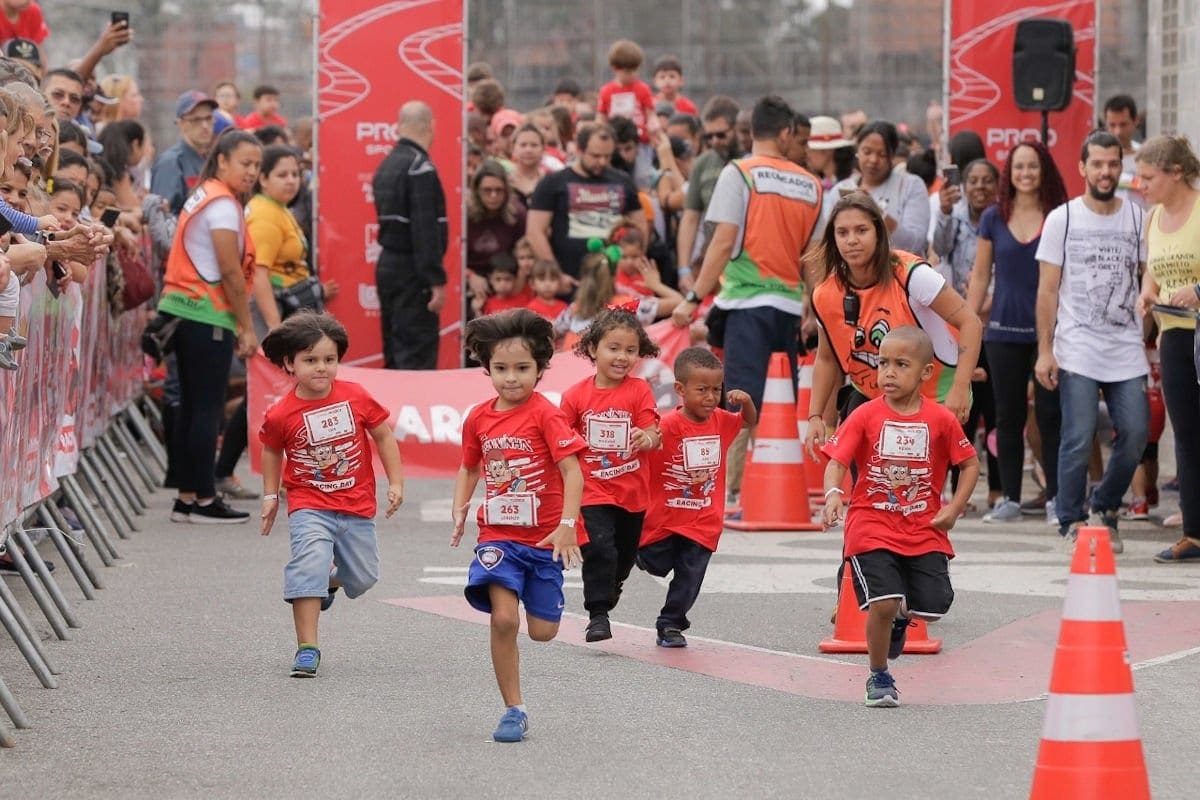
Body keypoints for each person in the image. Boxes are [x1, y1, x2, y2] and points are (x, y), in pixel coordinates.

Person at [671, 96, 822, 505]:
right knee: (777, 400)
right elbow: (813, 257)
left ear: (750, 130)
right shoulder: (811, 184)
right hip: (790, 308)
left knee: (736, 399)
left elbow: (722, 241)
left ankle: (733, 490)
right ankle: (772, 484)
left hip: (744, 305)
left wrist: (693, 296)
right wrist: (818, 308)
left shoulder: (739, 172)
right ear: (787, 132)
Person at [821, 326, 979, 707]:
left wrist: (954, 508)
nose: (888, 372)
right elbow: (837, 461)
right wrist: (833, 495)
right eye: (883, 363)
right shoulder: (864, 414)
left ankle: (901, 617)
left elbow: (969, 464)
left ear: (926, 373)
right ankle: (879, 676)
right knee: (883, 601)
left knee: (935, 607)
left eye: (901, 364)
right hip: (871, 525)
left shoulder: (941, 419)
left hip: (924, 528)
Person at [451, 308, 587, 743]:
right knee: (504, 620)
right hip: (499, 536)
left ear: (542, 368)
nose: (512, 378)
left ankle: (537, 591)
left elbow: (572, 472)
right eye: (501, 368)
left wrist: (568, 524)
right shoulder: (478, 417)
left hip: (545, 538)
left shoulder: (546, 414)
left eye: (523, 369)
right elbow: (469, 467)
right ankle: (514, 709)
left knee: (542, 632)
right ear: (486, 368)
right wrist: (460, 507)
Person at [259, 312, 404, 677]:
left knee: (363, 576)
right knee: (308, 564)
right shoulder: (281, 414)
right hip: (309, 504)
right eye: (310, 360)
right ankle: (307, 647)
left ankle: (328, 584)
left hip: (356, 505)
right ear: (289, 364)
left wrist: (396, 482)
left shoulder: (355, 396)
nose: (321, 368)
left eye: (329, 359)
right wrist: (271, 496)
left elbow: (383, 435)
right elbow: (272, 450)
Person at [1035, 131, 1149, 553]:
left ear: (1122, 168)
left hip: (1125, 346)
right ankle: (1071, 520)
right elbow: (1047, 290)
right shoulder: (1062, 219)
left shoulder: (1137, 218)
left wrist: (1149, 328)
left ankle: (1104, 505)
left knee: (1136, 432)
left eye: (1113, 164)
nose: (1105, 171)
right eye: (1097, 164)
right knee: (1078, 436)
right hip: (1077, 344)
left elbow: (1145, 279)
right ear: (1082, 168)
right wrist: (1045, 350)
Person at [805, 193, 983, 459]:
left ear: (879, 232)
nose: (851, 240)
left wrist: (960, 387)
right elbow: (827, 358)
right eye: (842, 232)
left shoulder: (911, 274)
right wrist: (816, 415)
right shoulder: (825, 294)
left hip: (933, 395)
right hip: (870, 395)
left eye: (861, 230)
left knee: (914, 489)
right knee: (868, 485)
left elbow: (970, 322)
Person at [156, 129, 262, 525]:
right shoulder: (222, 204)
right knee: (206, 408)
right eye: (245, 164)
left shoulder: (205, 195)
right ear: (222, 161)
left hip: (184, 310)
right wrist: (247, 328)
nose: (251, 172)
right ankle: (202, 497)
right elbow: (231, 273)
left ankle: (188, 497)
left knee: (192, 407)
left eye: (256, 166)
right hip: (205, 313)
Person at [965, 141, 1068, 524]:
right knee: (1006, 418)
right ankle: (1009, 498)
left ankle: (1058, 498)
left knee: (1050, 416)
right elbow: (979, 276)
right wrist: (968, 320)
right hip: (1002, 333)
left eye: (1033, 166)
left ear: (1045, 171)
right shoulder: (993, 216)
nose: (1026, 173)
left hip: (1051, 335)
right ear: (1010, 173)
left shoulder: (1059, 215)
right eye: (1019, 167)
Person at [638, 347, 757, 647]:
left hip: (703, 521)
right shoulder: (666, 426)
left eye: (716, 389)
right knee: (655, 563)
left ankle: (671, 624)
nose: (710, 396)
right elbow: (644, 455)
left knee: (690, 575)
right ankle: (637, 555)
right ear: (680, 389)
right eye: (701, 389)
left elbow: (748, 422)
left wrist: (748, 403)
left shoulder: (721, 421)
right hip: (665, 519)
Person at [559, 308, 660, 641]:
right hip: (592, 490)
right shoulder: (575, 396)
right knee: (600, 548)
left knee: (625, 554)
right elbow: (560, 442)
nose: (622, 357)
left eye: (630, 350)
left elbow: (652, 431)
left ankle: (614, 581)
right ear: (592, 349)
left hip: (632, 493)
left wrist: (646, 438)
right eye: (613, 348)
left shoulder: (639, 390)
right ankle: (597, 615)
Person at [1134, 136, 1200, 563]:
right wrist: (1147, 294)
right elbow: (1152, 273)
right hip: (1174, 335)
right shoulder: (1154, 217)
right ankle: (1194, 532)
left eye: (1148, 176)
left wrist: (1198, 290)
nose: (1141, 185)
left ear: (1176, 173)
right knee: (1187, 435)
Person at [932, 157, 1002, 510]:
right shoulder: (956, 219)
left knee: (995, 412)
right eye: (972, 180)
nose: (979, 186)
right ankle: (958, 491)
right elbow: (940, 248)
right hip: (959, 325)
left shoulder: (1003, 220)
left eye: (987, 180)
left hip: (997, 327)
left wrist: (993, 297)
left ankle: (998, 489)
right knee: (963, 412)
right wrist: (943, 212)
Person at [372, 100, 448, 370]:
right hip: (413, 271)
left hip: (388, 266)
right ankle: (412, 409)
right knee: (416, 352)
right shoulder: (420, 167)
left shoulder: (386, 165)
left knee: (393, 348)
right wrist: (435, 280)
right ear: (431, 126)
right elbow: (425, 230)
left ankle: (392, 411)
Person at [525, 123, 643, 279]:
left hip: (615, 277)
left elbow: (640, 227)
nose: (602, 162)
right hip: (569, 276)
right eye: (595, 156)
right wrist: (556, 275)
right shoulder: (553, 183)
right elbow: (534, 232)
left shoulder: (624, 181)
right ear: (580, 150)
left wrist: (633, 265)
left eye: (607, 156)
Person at [833, 121, 930, 256]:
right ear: (857, 151)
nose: (873, 160)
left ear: (892, 156)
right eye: (867, 152)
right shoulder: (841, 189)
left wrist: (877, 212)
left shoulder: (911, 186)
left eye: (882, 154)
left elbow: (914, 243)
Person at [675, 95, 740, 289]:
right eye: (708, 136)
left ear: (737, 129)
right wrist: (684, 269)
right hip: (714, 262)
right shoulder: (703, 163)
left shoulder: (752, 160)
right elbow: (690, 217)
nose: (714, 141)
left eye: (721, 135)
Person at [466, 159, 525, 305]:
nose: (493, 196)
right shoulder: (463, 215)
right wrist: (469, 275)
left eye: (499, 190)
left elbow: (526, 252)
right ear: (476, 191)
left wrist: (519, 279)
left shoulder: (517, 214)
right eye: (487, 190)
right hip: (469, 275)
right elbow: (450, 256)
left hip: (506, 277)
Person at [150, 90, 217, 215]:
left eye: (208, 118)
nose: (205, 125)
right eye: (196, 120)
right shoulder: (170, 163)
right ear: (181, 124)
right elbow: (162, 219)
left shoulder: (213, 160)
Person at [1103, 93, 1144, 207]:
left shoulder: (1148, 157)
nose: (1118, 132)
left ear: (1135, 121)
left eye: (1123, 124)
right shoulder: (1096, 158)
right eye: (1112, 125)